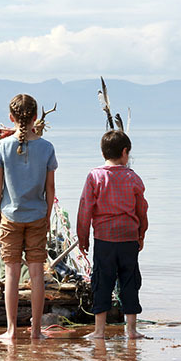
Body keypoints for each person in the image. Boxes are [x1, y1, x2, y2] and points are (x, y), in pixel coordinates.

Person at [0, 93, 57, 339]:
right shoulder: (47, 147)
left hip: (10, 216)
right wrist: (48, 215)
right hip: (38, 216)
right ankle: (36, 331)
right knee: (37, 273)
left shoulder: (2, 146)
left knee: (11, 273)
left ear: (11, 118)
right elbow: (50, 189)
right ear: (36, 117)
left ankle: (11, 330)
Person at [77, 130, 148, 339]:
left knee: (102, 281)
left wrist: (83, 237)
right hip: (128, 238)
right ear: (125, 152)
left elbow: (85, 209)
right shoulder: (133, 177)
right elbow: (141, 210)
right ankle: (132, 330)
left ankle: (99, 330)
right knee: (130, 280)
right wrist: (141, 234)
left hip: (104, 239)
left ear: (102, 153)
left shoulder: (95, 176)